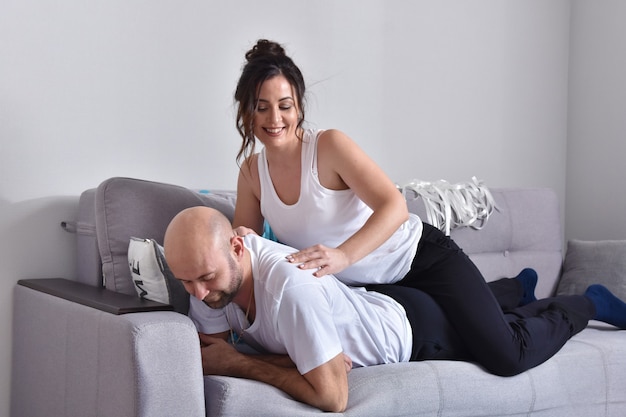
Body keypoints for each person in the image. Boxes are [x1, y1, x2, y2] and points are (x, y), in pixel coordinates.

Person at [230, 39, 626, 377]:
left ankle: (587, 302)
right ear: (247, 110)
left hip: (420, 260)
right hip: (376, 292)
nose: (274, 118)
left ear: (299, 106)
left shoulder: (328, 147)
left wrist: (342, 256)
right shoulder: (252, 173)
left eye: (285, 105)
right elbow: (246, 255)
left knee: (506, 355)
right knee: (456, 336)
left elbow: (394, 206)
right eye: (261, 107)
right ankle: (512, 290)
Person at [163, 206, 626, 412]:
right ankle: (511, 288)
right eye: (187, 281)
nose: (200, 295)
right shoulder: (208, 277)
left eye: (206, 278)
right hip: (382, 305)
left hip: (413, 334)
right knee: (485, 317)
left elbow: (332, 397)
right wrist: (298, 362)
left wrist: (244, 363)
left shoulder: (288, 287)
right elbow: (210, 354)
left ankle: (586, 302)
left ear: (239, 247)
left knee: (511, 344)